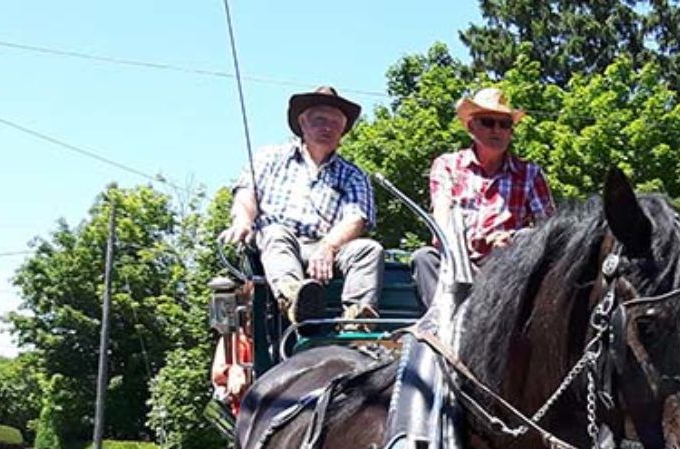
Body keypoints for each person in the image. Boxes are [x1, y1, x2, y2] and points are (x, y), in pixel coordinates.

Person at [218, 86, 383, 329]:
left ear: (343, 132)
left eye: (335, 124)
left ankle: (356, 321)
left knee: (369, 249)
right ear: (302, 124)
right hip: (279, 243)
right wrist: (242, 220)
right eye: (320, 120)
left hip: (327, 248)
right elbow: (246, 193)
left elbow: (356, 218)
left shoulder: (354, 175)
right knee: (275, 233)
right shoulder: (271, 157)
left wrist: (328, 247)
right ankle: (295, 298)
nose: (327, 128)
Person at [411, 87, 555, 311]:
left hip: (508, 267)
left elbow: (549, 230)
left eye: (505, 124)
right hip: (456, 263)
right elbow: (441, 219)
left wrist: (515, 239)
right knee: (425, 258)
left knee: (529, 243)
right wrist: (467, 241)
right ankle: (444, 323)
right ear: (471, 127)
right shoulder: (447, 165)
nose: (497, 130)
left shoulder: (530, 173)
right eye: (488, 122)